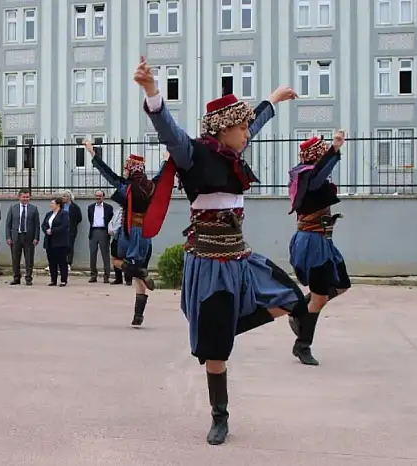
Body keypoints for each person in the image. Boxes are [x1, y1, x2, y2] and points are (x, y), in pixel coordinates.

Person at [136, 55, 308, 445]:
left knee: (293, 299)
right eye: (242, 128)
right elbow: (168, 131)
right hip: (209, 262)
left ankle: (227, 328)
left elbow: (256, 122)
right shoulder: (192, 154)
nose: (248, 134)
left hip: (240, 257)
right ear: (224, 128)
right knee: (217, 352)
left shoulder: (233, 154)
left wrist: (273, 99)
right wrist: (152, 91)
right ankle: (220, 416)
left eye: (247, 127)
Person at [85, 139, 166, 327]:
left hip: (128, 231)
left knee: (115, 259)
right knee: (139, 276)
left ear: (131, 169)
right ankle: (138, 315)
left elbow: (107, 173)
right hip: (145, 234)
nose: (124, 171)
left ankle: (139, 272)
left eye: (126, 168)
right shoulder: (152, 186)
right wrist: (166, 160)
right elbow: (162, 176)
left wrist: (93, 154)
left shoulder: (126, 186)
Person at [287, 131, 350, 366]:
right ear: (316, 156)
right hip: (312, 243)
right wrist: (334, 149)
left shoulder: (310, 176)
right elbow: (318, 174)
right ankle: (302, 345)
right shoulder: (306, 177)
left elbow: (321, 173)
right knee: (320, 299)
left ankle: (299, 310)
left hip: (323, 241)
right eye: (322, 153)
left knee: (342, 284)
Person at [4, 189, 39, 286]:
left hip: (29, 237)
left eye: (27, 197)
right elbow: (8, 224)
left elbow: (37, 225)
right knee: (15, 259)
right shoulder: (13, 208)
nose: (25, 199)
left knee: (29, 259)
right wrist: (8, 237)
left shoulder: (34, 209)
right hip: (16, 237)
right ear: (19, 197)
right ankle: (16, 278)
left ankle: (28, 278)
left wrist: (36, 237)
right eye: (24, 197)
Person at [42, 196, 70, 286]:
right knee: (51, 261)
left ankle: (63, 280)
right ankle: (53, 280)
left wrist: (53, 231)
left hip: (60, 241)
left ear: (58, 205)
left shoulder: (64, 214)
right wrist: (46, 230)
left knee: (62, 261)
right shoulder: (49, 214)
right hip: (49, 241)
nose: (51, 205)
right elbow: (43, 224)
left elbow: (64, 225)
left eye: (52, 203)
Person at [86, 190, 113, 283]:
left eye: (100, 196)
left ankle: (106, 276)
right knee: (92, 254)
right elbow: (90, 218)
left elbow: (110, 219)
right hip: (93, 231)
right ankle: (93, 275)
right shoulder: (90, 207)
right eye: (96, 196)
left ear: (103, 197)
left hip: (104, 231)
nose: (98, 197)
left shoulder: (108, 207)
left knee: (105, 254)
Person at [62, 190, 82, 270]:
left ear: (69, 198)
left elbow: (79, 218)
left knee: (69, 246)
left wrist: (72, 224)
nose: (63, 198)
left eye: (64, 196)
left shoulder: (75, 207)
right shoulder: (61, 206)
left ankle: (68, 263)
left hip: (71, 230)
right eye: (63, 196)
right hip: (61, 230)